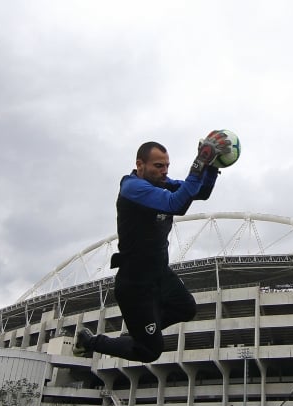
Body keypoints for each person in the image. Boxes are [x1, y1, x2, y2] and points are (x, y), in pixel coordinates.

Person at [72, 134, 231, 363]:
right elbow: (177, 204)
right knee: (149, 352)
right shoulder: (132, 188)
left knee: (186, 308)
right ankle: (89, 342)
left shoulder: (162, 183)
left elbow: (200, 192)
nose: (164, 171)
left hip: (158, 272)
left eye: (167, 166)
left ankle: (139, 332)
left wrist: (212, 166)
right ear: (140, 165)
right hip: (135, 283)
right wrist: (198, 164)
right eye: (158, 166)